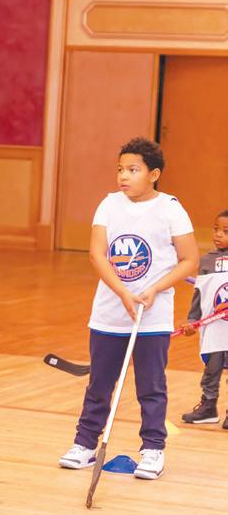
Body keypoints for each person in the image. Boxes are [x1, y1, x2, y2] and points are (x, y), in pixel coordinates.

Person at [59, 137, 198, 480]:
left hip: (152, 315)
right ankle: (84, 444)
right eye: (120, 169)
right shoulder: (109, 205)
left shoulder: (170, 209)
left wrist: (154, 289)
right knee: (99, 384)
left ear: (154, 174)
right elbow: (97, 255)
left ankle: (152, 449)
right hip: (109, 313)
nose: (123, 176)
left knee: (151, 386)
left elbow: (189, 260)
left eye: (133, 170)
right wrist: (122, 292)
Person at [180, 210, 228, 425]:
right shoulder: (207, 261)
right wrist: (193, 321)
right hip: (214, 328)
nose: (218, 234)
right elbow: (199, 295)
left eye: (225, 231)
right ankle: (209, 406)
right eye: (216, 229)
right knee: (212, 367)